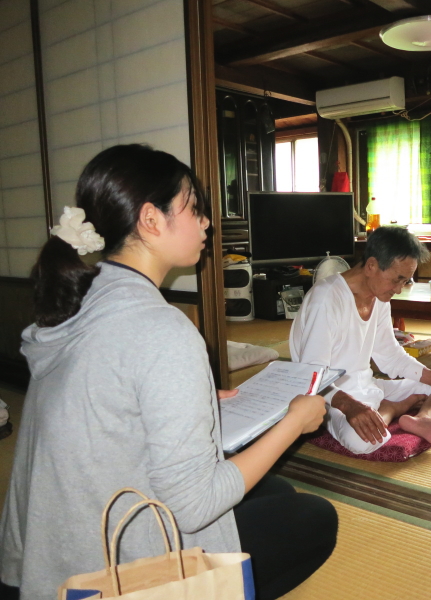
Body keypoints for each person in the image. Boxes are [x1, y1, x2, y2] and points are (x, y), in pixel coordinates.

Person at [0, 144, 337, 600]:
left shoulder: (85, 297)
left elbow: (103, 397)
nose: (206, 224)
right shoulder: (160, 328)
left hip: (45, 552)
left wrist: (189, 399)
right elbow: (194, 506)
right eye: (194, 209)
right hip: (100, 571)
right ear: (151, 220)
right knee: (314, 518)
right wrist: (294, 422)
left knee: (275, 489)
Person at [290, 226, 431, 455]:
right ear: (371, 266)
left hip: (368, 385)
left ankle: (421, 417)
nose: (399, 289)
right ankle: (392, 408)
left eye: (405, 282)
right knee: (366, 442)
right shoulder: (327, 299)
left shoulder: (380, 296)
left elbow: (390, 356)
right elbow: (311, 375)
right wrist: (350, 406)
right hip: (330, 396)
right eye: (397, 280)